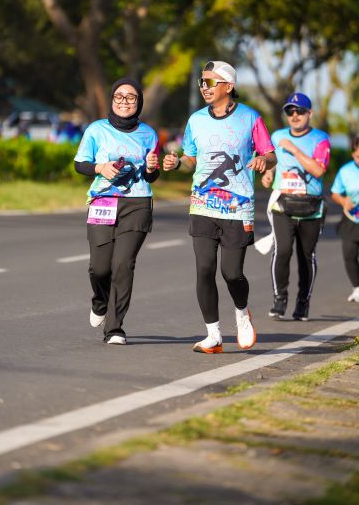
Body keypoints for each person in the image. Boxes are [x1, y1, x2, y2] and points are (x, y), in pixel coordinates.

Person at [163, 60, 276, 354]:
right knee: (204, 269)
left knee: (231, 272)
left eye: (211, 82)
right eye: (202, 82)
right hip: (202, 204)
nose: (205, 87)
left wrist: (263, 160)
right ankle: (213, 335)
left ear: (229, 86)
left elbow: (270, 154)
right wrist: (177, 163)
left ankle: (242, 313)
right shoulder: (196, 120)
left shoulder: (250, 118)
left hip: (237, 207)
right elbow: (191, 159)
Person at [74, 78, 159, 345]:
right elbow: (80, 164)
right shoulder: (96, 129)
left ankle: (114, 328)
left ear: (139, 102)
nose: (124, 101)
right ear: (112, 100)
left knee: (123, 265)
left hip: (137, 203)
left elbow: (151, 175)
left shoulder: (149, 134)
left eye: (131, 97)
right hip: (103, 201)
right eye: (119, 96)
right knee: (99, 268)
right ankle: (100, 302)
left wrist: (152, 167)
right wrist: (100, 168)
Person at [261, 92, 331, 321]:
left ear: (310, 113)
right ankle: (279, 300)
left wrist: (294, 150)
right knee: (282, 251)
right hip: (283, 204)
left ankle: (302, 304)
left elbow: (318, 170)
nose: (295, 115)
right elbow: (272, 162)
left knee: (306, 256)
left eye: (300, 111)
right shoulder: (277, 136)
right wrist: (268, 173)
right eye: (290, 111)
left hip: (311, 207)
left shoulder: (320, 139)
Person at [330, 134, 359, 302]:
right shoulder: (346, 171)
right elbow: (334, 193)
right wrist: (343, 201)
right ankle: (357, 287)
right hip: (352, 218)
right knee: (349, 254)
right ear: (353, 153)